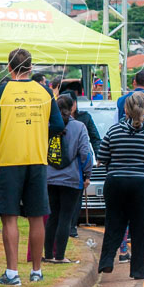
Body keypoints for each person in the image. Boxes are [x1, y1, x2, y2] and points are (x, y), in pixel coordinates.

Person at [0, 48, 65, 286]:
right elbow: (58, 124)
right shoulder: (44, 91)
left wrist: (11, 132)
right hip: (37, 158)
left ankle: (12, 274)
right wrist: (37, 132)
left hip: (9, 159)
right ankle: (37, 271)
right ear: (31, 68)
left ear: (9, 68)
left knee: (9, 217)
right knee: (36, 216)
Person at [98, 92, 144, 279]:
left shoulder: (113, 131)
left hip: (116, 181)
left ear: (125, 110)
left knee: (114, 222)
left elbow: (102, 157)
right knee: (141, 227)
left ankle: (107, 260)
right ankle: (139, 271)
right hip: (142, 183)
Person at [45, 94, 92, 263]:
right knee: (66, 217)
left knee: (52, 216)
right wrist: (87, 174)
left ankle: (48, 254)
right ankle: (60, 256)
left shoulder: (47, 126)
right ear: (73, 107)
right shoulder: (79, 127)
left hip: (49, 178)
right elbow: (85, 153)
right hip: (72, 179)